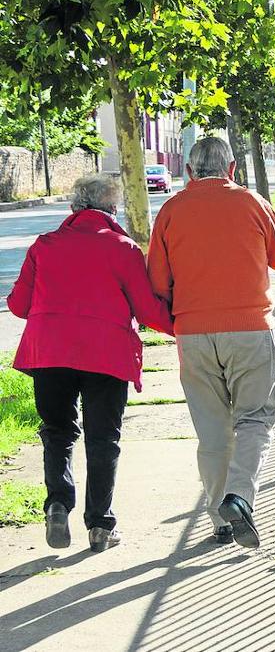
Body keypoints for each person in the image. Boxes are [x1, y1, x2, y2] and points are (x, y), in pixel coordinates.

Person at [5, 174, 174, 552]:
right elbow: (149, 311)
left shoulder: (44, 246)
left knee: (58, 432)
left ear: (73, 208)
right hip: (106, 356)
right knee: (103, 440)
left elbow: (17, 306)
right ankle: (100, 526)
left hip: (49, 355)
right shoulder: (124, 248)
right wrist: (186, 328)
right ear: (112, 209)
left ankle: (58, 505)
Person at [148, 137, 275, 548]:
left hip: (192, 334)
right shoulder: (253, 203)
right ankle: (239, 497)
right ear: (232, 169)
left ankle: (220, 520)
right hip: (250, 328)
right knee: (255, 417)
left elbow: (157, 282)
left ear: (190, 172)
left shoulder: (171, 211)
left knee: (211, 430)